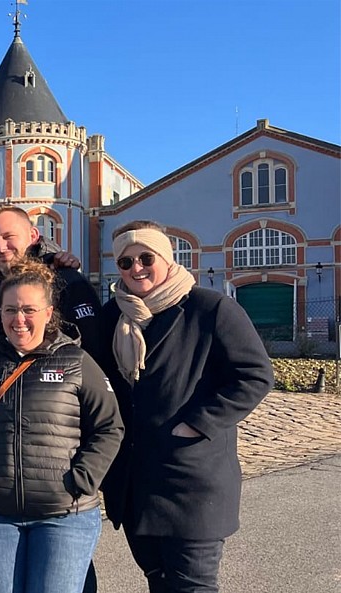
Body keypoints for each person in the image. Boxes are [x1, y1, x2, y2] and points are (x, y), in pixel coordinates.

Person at [97, 221, 272, 593]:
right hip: (135, 484)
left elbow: (255, 375)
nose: (136, 268)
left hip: (191, 482)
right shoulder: (114, 316)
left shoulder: (211, 309)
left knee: (192, 586)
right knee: (158, 580)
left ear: (166, 257)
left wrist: (197, 424)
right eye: (125, 262)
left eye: (146, 257)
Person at [0, 261, 123, 593]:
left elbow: (109, 427)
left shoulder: (77, 362)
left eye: (29, 309)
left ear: (49, 311)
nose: (19, 319)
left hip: (64, 514)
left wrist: (80, 479)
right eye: (10, 309)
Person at [0, 206, 100, 354]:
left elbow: (95, 349)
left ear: (33, 235)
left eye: (8, 237)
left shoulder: (66, 280)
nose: (1, 247)